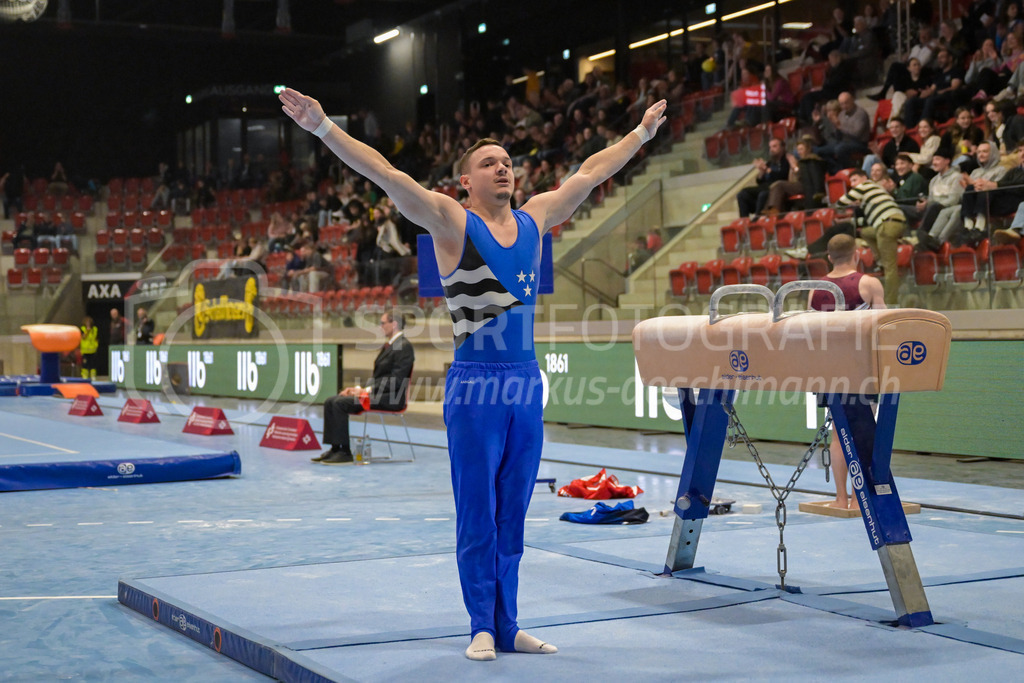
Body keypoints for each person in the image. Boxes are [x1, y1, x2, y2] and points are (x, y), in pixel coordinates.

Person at [280, 86, 666, 660]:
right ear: (466, 181)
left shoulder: (537, 217)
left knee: (513, 512)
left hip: (525, 384)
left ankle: (508, 626)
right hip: (476, 386)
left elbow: (588, 173)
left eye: (508, 161)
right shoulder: (449, 221)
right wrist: (322, 129)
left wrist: (639, 136)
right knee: (478, 512)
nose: (503, 167)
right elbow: (386, 174)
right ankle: (479, 626)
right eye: (489, 163)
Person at [809, 233, 886, 509]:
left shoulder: (815, 289)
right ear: (857, 254)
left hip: (829, 369)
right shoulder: (867, 283)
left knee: (839, 435)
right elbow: (883, 327)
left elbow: (812, 334)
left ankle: (841, 498)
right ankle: (860, 498)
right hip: (860, 369)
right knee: (863, 432)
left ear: (829, 257)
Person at [314, 310, 415, 465]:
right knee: (331, 401)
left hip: (391, 398)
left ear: (393, 324)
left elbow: (396, 381)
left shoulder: (404, 347)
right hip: (378, 393)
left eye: (382, 323)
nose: (380, 326)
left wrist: (366, 391)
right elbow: (378, 378)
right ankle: (335, 448)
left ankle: (344, 451)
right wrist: (357, 389)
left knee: (340, 404)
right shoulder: (390, 345)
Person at [834, 168, 908, 304]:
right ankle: (879, 261)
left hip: (887, 225)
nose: (854, 185)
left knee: (890, 267)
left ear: (864, 178)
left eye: (855, 180)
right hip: (890, 223)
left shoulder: (866, 185)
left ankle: (890, 302)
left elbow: (840, 203)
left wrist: (850, 203)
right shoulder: (873, 194)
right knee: (865, 232)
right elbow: (866, 222)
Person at [813, 92, 871, 174]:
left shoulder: (860, 113)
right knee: (818, 151)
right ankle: (837, 171)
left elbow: (856, 133)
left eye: (846, 103)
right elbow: (838, 135)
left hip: (859, 143)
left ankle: (848, 171)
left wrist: (840, 126)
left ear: (852, 100)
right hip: (843, 142)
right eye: (842, 104)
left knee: (840, 149)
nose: (844, 106)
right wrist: (834, 126)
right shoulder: (842, 114)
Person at [736, 137, 790, 217]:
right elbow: (759, 181)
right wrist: (761, 171)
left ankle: (758, 218)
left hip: (776, 188)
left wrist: (767, 169)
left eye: (774, 146)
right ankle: (744, 221)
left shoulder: (786, 160)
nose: (771, 149)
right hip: (765, 186)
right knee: (742, 194)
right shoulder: (770, 162)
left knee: (763, 194)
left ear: (782, 147)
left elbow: (782, 176)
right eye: (770, 147)